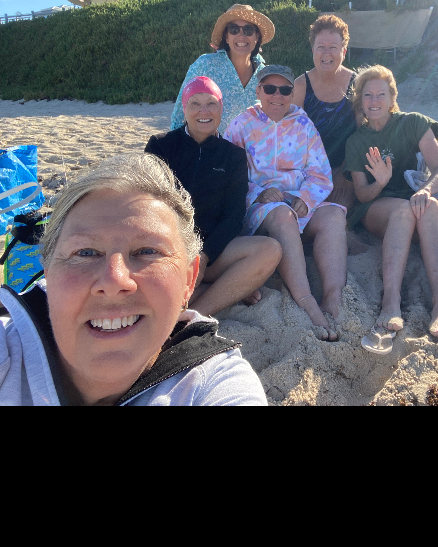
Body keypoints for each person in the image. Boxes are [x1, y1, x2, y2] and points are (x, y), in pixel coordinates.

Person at [0, 153, 268, 406]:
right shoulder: (7, 349)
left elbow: (233, 216)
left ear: (189, 280)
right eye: (85, 252)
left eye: (148, 251)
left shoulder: (216, 383)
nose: (114, 280)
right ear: (48, 273)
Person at [225, 65, 348, 342]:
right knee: (282, 215)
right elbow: (228, 176)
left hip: (298, 202)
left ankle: (333, 295)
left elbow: (320, 173)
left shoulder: (304, 125)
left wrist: (305, 197)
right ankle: (306, 299)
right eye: (270, 89)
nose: (277, 96)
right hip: (259, 207)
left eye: (284, 90)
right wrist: (258, 193)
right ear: (258, 91)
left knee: (333, 216)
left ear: (292, 94)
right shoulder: (241, 125)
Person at [146, 76, 281, 316]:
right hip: (169, 249)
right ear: (184, 109)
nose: (204, 111)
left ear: (221, 108)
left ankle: (194, 314)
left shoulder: (233, 156)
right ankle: (229, 288)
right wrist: (180, 251)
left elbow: (234, 216)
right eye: (195, 104)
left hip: (212, 253)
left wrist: (205, 256)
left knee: (269, 249)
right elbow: (148, 205)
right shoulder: (161, 146)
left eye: (211, 104)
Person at [344, 65, 438, 339]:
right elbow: (361, 194)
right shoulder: (356, 141)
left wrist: (426, 190)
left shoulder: (413, 123)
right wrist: (380, 182)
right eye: (368, 95)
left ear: (392, 97)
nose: (374, 101)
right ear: (361, 100)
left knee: (431, 206)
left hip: (415, 202)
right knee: (404, 211)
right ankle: (391, 301)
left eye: (380, 94)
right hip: (377, 208)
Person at [170, 4, 275, 135]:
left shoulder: (264, 75)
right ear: (226, 36)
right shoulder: (205, 65)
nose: (241, 35)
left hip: (252, 148)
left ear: (257, 37)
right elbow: (180, 114)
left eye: (248, 30)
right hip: (210, 147)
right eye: (234, 29)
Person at [292, 15, 357, 211]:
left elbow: (363, 136)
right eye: (321, 46)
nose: (326, 53)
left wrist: (344, 175)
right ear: (313, 50)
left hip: (346, 169)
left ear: (344, 51)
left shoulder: (357, 85)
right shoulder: (300, 86)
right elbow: (292, 138)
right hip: (308, 171)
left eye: (333, 47)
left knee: (339, 210)